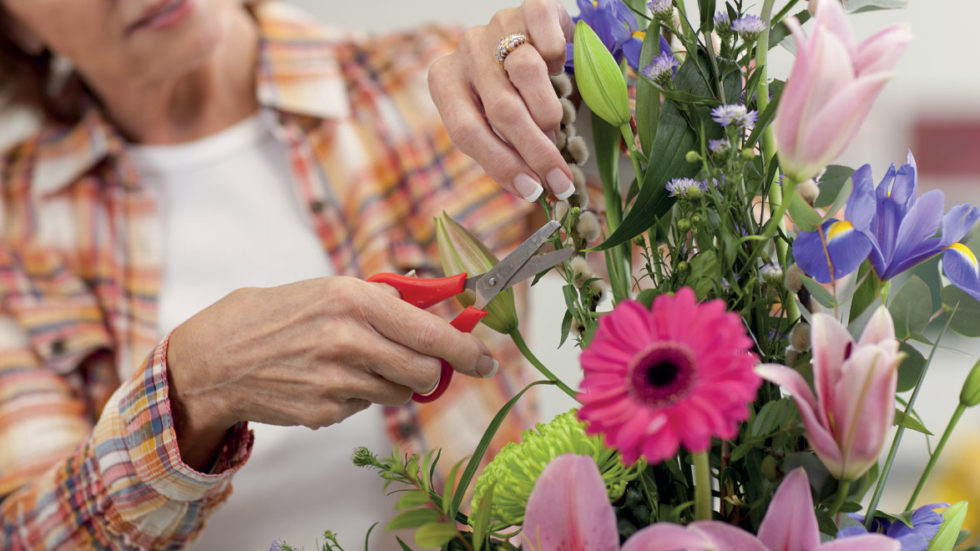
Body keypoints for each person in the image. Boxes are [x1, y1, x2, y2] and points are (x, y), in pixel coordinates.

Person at [0, 0, 574, 548]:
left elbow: (632, 241)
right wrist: (188, 390)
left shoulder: (430, 84)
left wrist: (577, 79)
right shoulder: (17, 229)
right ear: (14, 26)